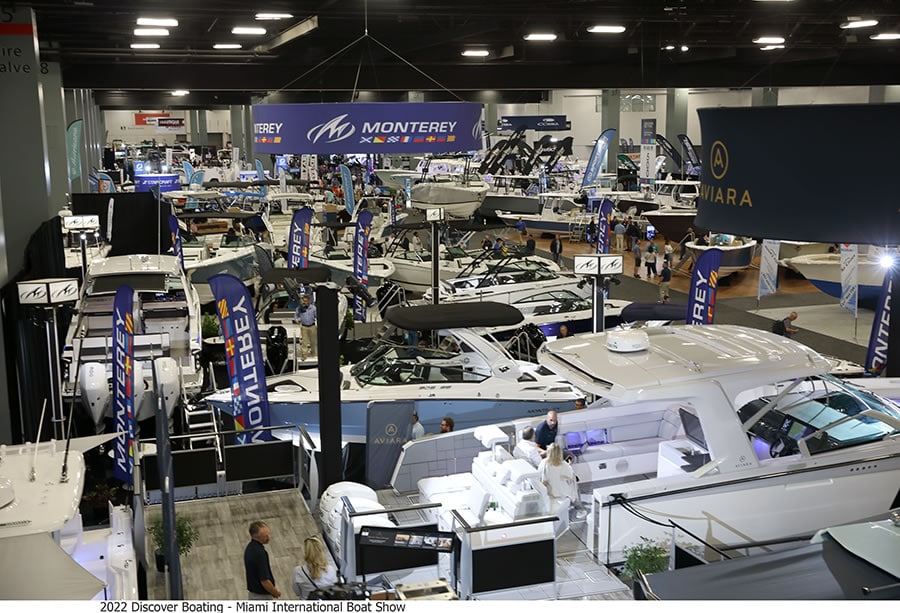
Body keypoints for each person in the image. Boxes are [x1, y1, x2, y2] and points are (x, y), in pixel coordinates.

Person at [538, 443, 582, 514]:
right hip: (561, 492)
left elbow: (540, 476)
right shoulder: (563, 464)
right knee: (574, 483)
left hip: (548, 491)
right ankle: (578, 506)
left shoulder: (543, 463)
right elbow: (571, 476)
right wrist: (569, 465)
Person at [244, 520, 281, 600]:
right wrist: (274, 592)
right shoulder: (260, 553)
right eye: (265, 536)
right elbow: (264, 581)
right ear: (257, 537)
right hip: (262, 596)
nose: (269, 537)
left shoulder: (250, 548)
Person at [293, 294, 317, 360]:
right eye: (304, 301)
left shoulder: (313, 308)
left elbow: (316, 316)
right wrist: (297, 320)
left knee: (313, 341)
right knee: (304, 342)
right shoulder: (300, 308)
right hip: (304, 326)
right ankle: (304, 355)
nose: (305, 302)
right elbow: (296, 315)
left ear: (309, 300)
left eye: (306, 301)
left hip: (312, 326)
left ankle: (313, 353)